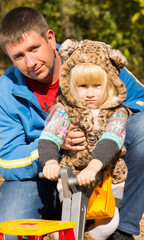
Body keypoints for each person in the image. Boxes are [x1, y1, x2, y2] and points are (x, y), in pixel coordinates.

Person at [0, 6, 144, 240]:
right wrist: (54, 146)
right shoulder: (6, 90)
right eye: (18, 56)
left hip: (102, 171)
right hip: (42, 180)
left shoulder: (92, 60)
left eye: (34, 48)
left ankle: (121, 231)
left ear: (50, 39)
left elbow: (140, 100)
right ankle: (59, 218)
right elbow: (6, 159)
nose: (30, 62)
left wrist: (108, 122)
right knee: (7, 231)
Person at [38, 43, 129, 239]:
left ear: (110, 84)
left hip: (107, 174)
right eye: (83, 86)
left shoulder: (117, 112)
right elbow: (50, 136)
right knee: (73, 210)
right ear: (72, 85)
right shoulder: (66, 109)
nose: (90, 93)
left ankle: (89, 236)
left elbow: (111, 139)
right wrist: (50, 162)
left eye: (97, 86)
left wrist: (93, 167)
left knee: (107, 219)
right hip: (75, 172)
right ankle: (66, 232)